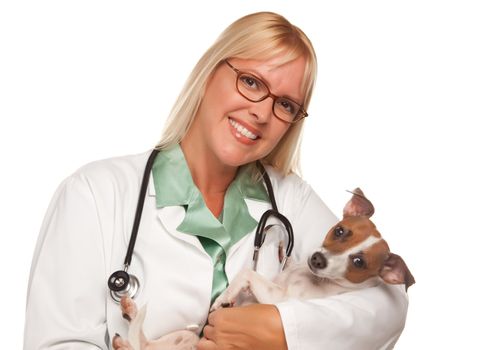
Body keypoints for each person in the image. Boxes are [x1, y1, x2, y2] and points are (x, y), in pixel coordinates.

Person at [24, 11, 408, 350]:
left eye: (285, 104)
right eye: (252, 82)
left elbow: (389, 305)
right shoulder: (94, 194)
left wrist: (281, 329)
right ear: (209, 72)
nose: (261, 113)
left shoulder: (291, 200)